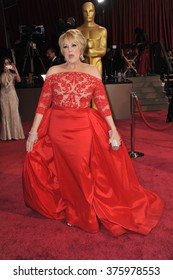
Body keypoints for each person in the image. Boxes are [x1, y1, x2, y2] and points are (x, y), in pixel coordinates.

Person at [23, 29, 164, 236]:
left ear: (81, 47)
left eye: (73, 45)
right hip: (58, 126)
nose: (69, 50)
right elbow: (42, 105)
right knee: (66, 171)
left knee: (80, 169)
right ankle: (75, 211)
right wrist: (33, 133)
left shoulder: (91, 71)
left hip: (81, 126)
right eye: (65, 46)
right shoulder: (53, 72)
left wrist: (113, 131)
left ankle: (85, 213)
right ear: (61, 50)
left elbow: (103, 104)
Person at [77, 2, 107, 76]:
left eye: (90, 11)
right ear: (82, 13)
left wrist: (92, 51)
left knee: (97, 86)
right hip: (83, 65)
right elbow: (77, 51)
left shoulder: (101, 30)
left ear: (94, 12)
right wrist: (84, 54)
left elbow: (103, 51)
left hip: (96, 64)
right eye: (85, 11)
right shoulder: (78, 31)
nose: (88, 14)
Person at [0, 57, 25, 141]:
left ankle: (16, 134)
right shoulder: (2, 75)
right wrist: (5, 72)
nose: (6, 65)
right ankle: (7, 135)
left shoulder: (12, 74)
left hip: (12, 95)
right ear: (3, 65)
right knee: (6, 114)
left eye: (8, 63)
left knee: (14, 113)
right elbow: (4, 84)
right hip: (4, 96)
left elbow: (19, 80)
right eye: (5, 63)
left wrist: (15, 70)